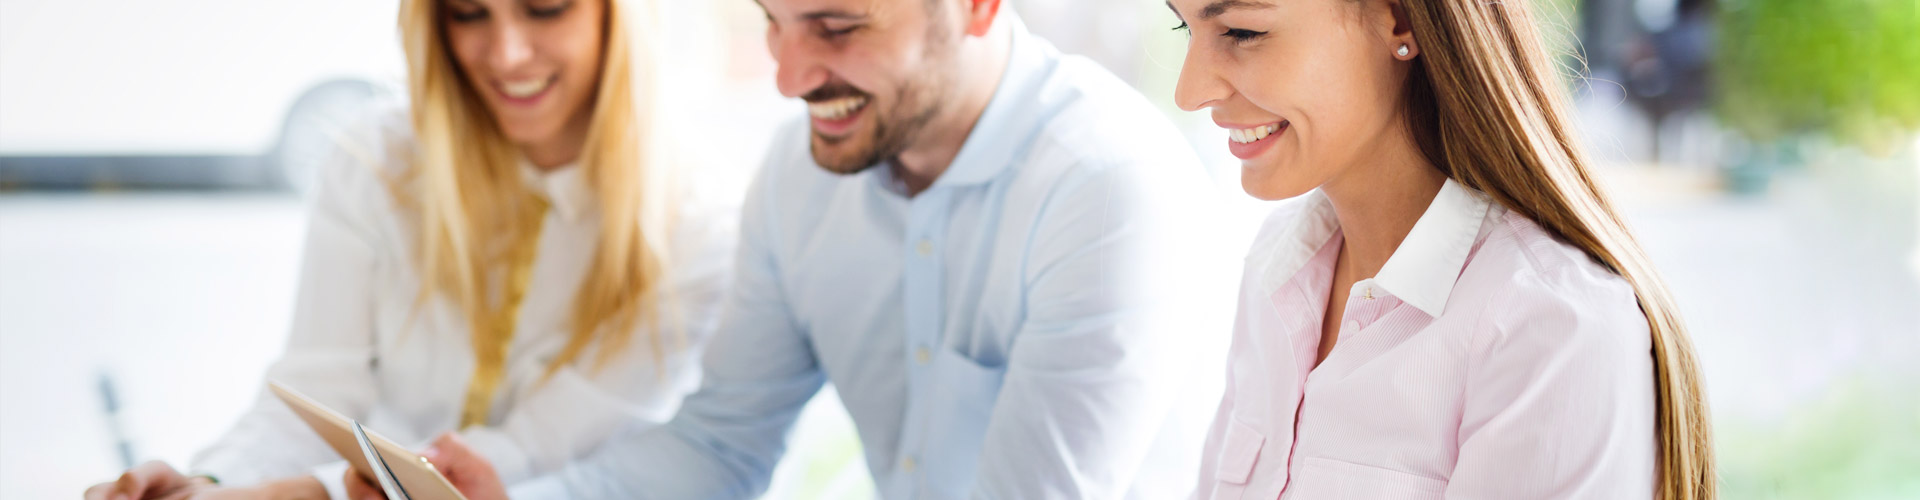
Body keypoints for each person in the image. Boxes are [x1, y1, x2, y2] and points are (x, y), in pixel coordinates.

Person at [397, 0, 1239, 498]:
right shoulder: (800, 178)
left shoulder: (1105, 186)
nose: (789, 77)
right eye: (774, 22)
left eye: (836, 26)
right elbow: (721, 444)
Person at [81, 0, 731, 498]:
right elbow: (317, 386)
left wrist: (315, 490)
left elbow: (531, 449)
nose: (505, 54)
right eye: (468, 13)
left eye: (545, 6)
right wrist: (214, 484)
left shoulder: (690, 224)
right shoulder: (377, 160)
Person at [1165, 0, 1717, 498]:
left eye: (1241, 30)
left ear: (1400, 21)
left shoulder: (1551, 330)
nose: (1189, 92)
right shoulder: (1282, 263)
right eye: (1184, 28)